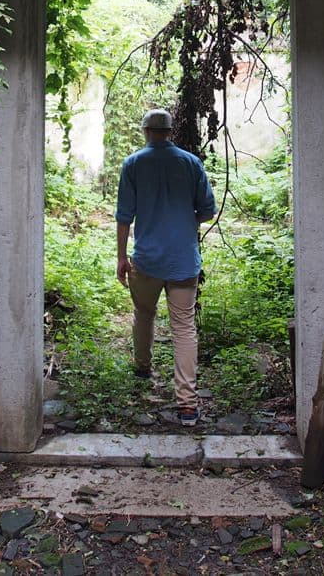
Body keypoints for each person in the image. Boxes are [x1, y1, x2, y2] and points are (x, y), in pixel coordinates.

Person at [116, 108, 217, 427]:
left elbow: (124, 216)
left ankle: (142, 367)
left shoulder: (133, 164)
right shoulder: (191, 163)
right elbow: (207, 210)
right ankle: (187, 404)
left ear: (145, 130)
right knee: (184, 327)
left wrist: (122, 257)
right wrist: (186, 220)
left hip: (146, 260)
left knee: (144, 314)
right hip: (184, 259)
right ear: (171, 131)